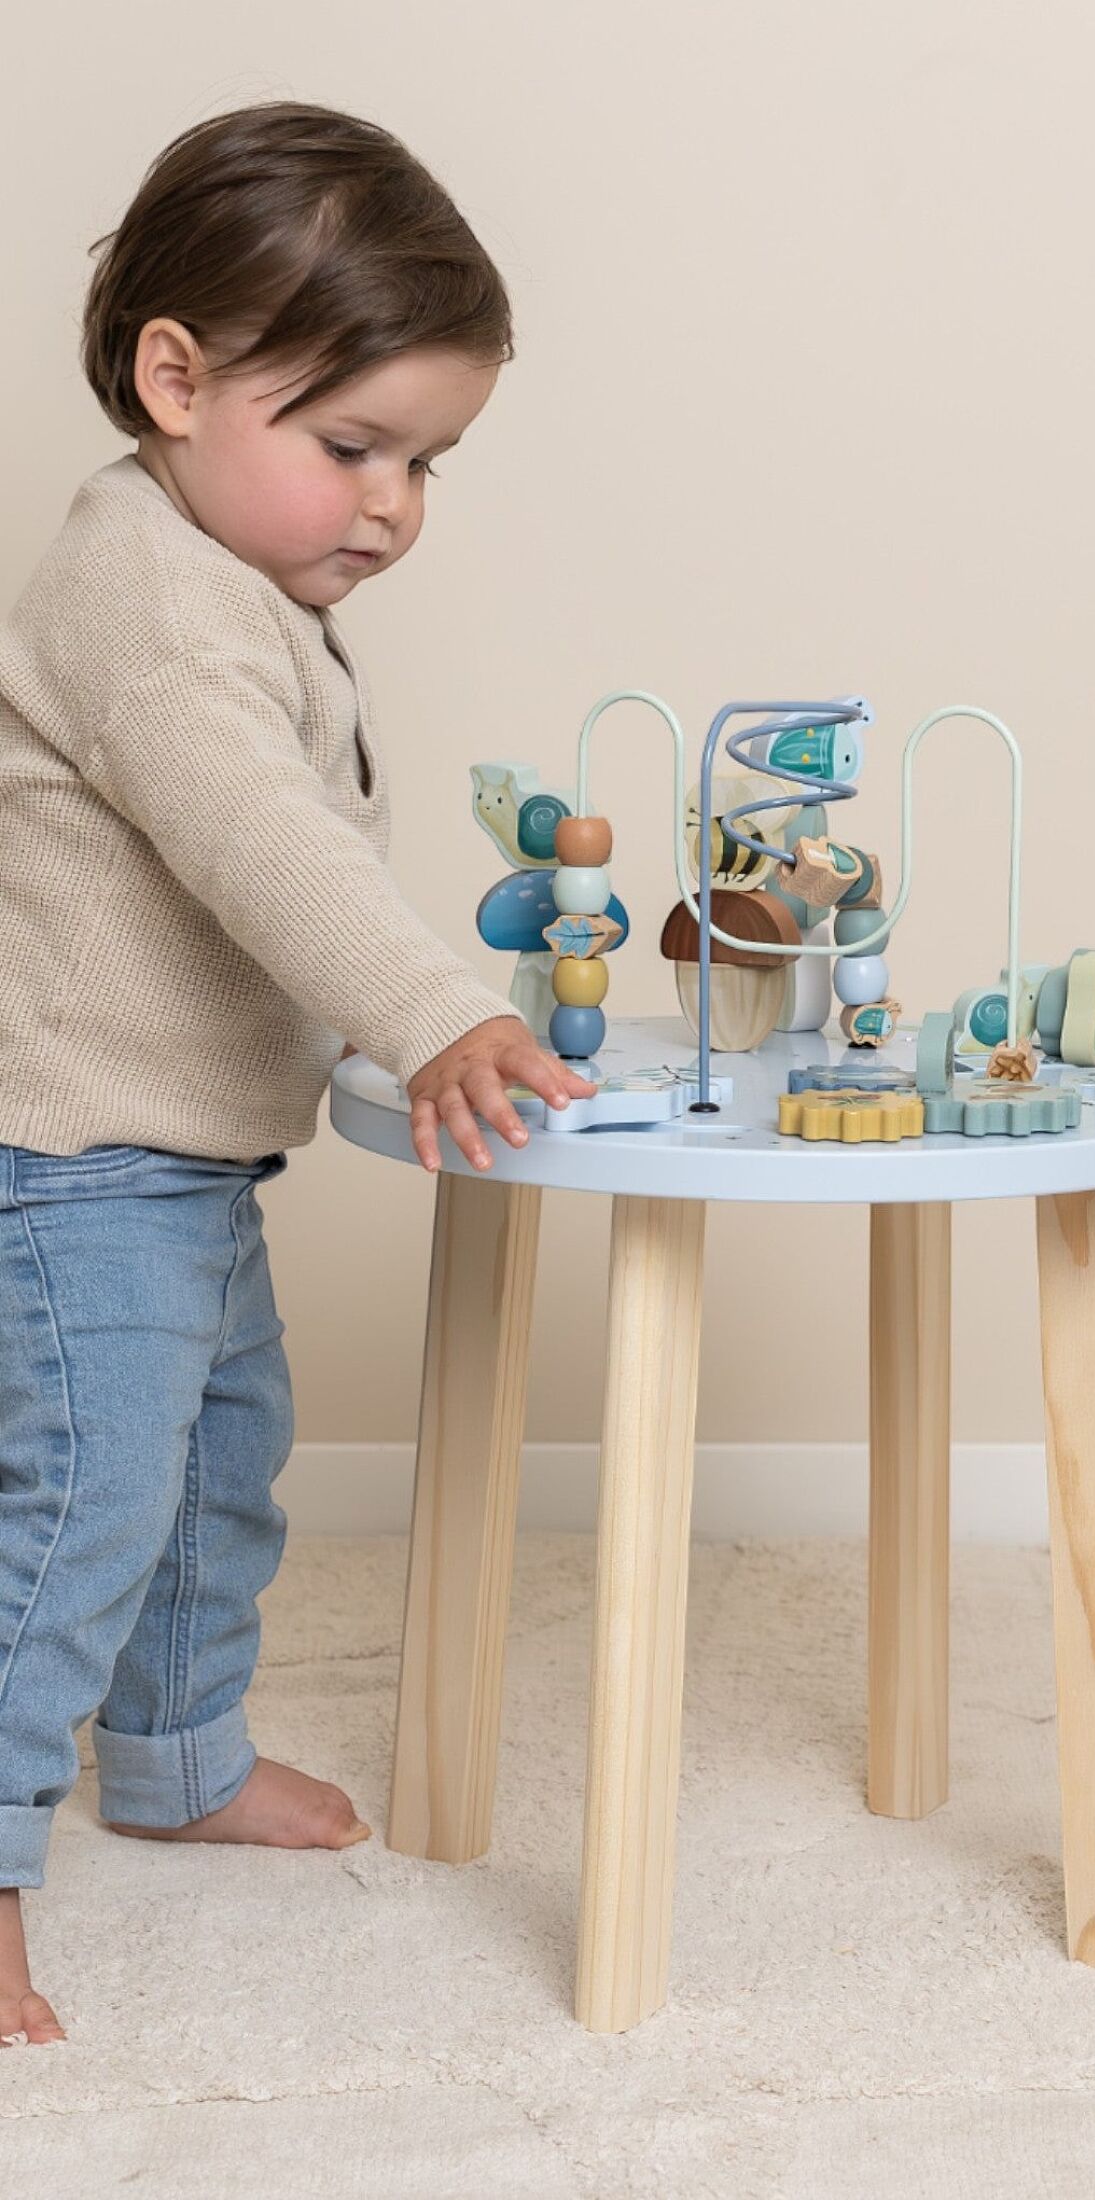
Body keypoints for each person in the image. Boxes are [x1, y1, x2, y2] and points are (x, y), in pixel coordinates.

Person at [0, 100, 596, 2045]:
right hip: (72, 1151)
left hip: (178, 1155)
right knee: (78, 1509)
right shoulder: (140, 593)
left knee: (214, 1475)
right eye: (350, 447)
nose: (394, 504)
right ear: (176, 379)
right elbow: (264, 844)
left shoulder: (226, 585)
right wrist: (429, 1008)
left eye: (425, 461)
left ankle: (171, 1755)